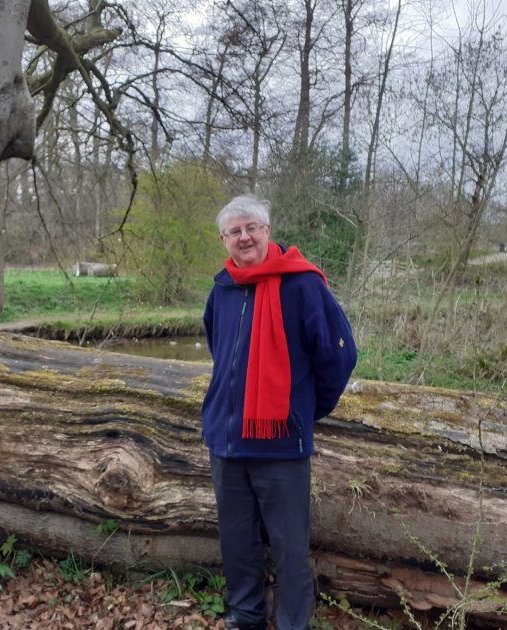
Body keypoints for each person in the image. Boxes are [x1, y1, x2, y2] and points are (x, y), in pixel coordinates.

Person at [201, 195, 356, 630]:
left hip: (282, 444)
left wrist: (302, 410)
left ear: (268, 231)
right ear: (224, 240)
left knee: (289, 546)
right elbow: (219, 353)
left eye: (252, 227)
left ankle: (292, 623)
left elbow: (338, 356)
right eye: (235, 231)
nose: (244, 237)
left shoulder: (302, 284)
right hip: (226, 440)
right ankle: (245, 615)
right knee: (237, 540)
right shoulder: (222, 289)